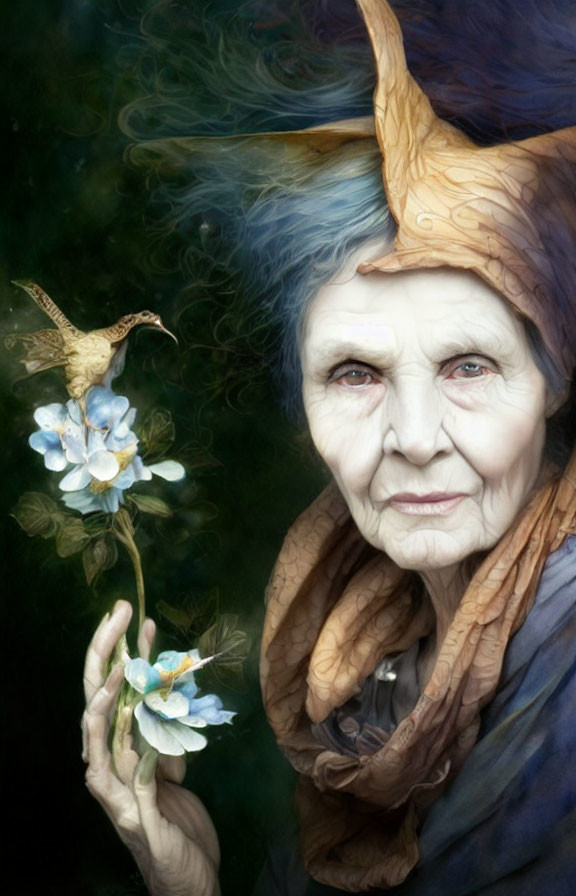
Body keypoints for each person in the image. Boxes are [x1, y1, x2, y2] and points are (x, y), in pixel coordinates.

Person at [82, 0, 576, 893]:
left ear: (553, 381)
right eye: (355, 374)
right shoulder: (363, 660)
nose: (416, 440)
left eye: (469, 365)